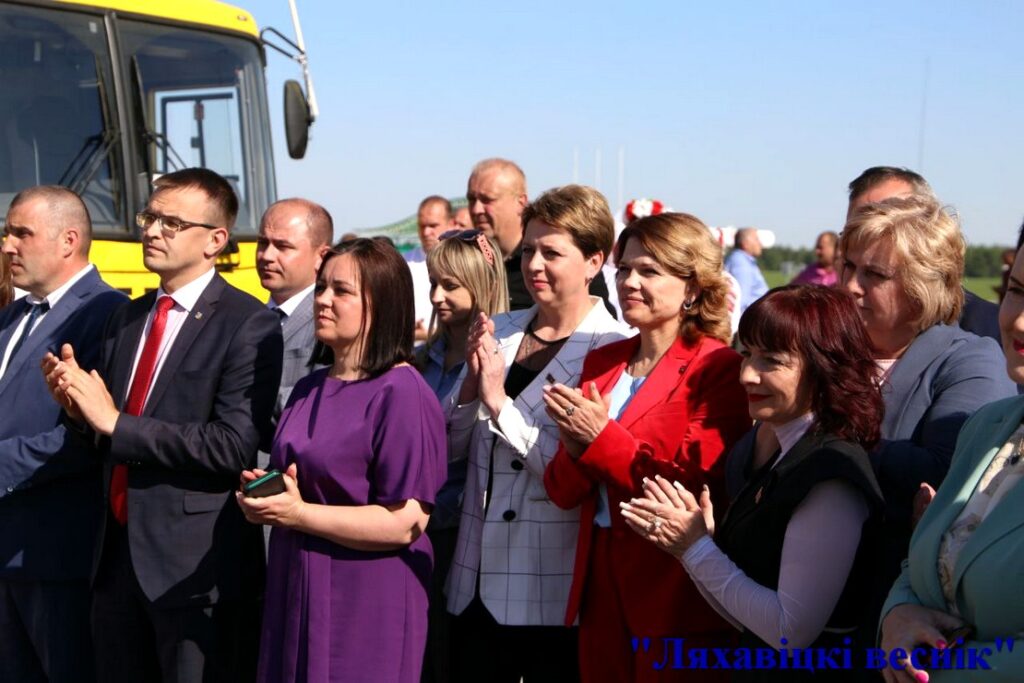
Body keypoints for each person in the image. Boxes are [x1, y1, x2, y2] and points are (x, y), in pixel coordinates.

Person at [43, 168, 282, 682]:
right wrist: (78, 411)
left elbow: (232, 445)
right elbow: (106, 433)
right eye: (149, 217)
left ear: (215, 241)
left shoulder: (247, 322)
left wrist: (115, 422)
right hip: (114, 561)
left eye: (172, 223)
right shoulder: (127, 318)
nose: (152, 231)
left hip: (192, 571)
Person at [623, 285, 886, 681]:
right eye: (746, 353)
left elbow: (788, 632)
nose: (746, 374)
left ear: (825, 366)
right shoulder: (781, 447)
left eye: (771, 361)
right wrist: (694, 547)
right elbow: (744, 615)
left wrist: (695, 548)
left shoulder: (831, 476)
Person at [543, 212, 750, 682]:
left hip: (673, 584)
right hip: (599, 580)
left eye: (649, 271)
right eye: (623, 270)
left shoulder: (717, 367)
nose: (629, 282)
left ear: (692, 287)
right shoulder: (604, 361)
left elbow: (692, 485)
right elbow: (561, 489)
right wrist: (576, 449)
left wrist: (599, 438)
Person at [237, 238, 447, 683]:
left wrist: (299, 514)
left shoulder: (403, 393)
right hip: (297, 581)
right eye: (321, 288)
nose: (323, 300)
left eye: (341, 291)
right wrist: (268, 496)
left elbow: (406, 522)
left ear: (381, 304)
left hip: (366, 598)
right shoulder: (308, 388)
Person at [445, 184, 628, 682]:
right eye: (528, 250)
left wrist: (500, 404)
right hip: (471, 583)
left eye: (552, 252)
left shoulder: (612, 350)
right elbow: (448, 449)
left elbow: (574, 476)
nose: (534, 265)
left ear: (594, 261)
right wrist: (469, 391)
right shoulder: (500, 329)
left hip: (545, 590)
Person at [839, 196, 1015, 637]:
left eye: (874, 275)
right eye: (849, 266)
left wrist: (826, 434)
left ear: (921, 291)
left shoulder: (969, 359)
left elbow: (949, 474)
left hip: (894, 615)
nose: (851, 286)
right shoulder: (828, 350)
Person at [878, 244, 1024, 683]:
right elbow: (927, 561)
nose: (1018, 320)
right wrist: (898, 615)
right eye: (1017, 291)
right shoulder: (987, 425)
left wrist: (938, 668)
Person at [0, 186, 126, 682]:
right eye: (7, 232)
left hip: (56, 555)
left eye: (21, 233)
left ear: (68, 240)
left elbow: (91, 431)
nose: (7, 245)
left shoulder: (108, 313)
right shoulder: (15, 314)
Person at [415, 228, 508, 683]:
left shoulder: (504, 357)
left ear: (481, 284)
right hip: (416, 528)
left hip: (471, 535)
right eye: (434, 283)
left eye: (450, 285)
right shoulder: (417, 360)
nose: (437, 296)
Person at [847, 165, 1000, 342]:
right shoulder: (830, 326)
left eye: (897, 214)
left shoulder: (989, 331)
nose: (852, 286)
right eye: (855, 230)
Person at [466, 158, 613, 313]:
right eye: (471, 199)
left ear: (520, 202)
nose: (476, 209)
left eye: (487, 200)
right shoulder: (469, 260)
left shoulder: (575, 264)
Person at [256, 198, 332, 449]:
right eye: (262, 243)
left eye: (283, 246)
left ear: (321, 256)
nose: (267, 256)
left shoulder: (327, 326)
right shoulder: (246, 320)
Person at [407, 196, 455, 339]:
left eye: (433, 226)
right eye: (422, 226)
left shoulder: (464, 264)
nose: (426, 232)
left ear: (451, 224)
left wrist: (430, 335)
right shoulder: (403, 264)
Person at [724, 227, 768, 314]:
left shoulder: (741, 260)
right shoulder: (741, 263)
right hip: (749, 318)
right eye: (756, 239)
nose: (760, 244)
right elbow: (741, 301)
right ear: (745, 244)